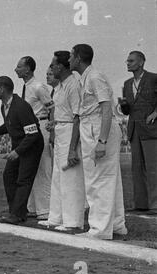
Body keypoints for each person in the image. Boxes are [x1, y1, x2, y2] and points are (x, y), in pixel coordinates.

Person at [69, 43, 127, 239]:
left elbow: (106, 108)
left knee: (98, 180)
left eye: (71, 56)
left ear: (78, 58)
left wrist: (102, 140)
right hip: (92, 126)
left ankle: (99, 230)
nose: (69, 60)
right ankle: (117, 224)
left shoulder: (94, 77)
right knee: (110, 178)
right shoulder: (85, 78)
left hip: (98, 128)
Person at [38, 51, 85, 231]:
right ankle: (56, 217)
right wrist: (54, 124)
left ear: (61, 66)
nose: (51, 68)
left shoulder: (73, 85)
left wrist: (73, 148)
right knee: (58, 177)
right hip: (60, 131)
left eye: (53, 65)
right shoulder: (59, 87)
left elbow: (77, 117)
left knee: (70, 178)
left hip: (69, 133)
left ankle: (73, 222)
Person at [0, 76, 44, 225]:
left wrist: (17, 152)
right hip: (20, 145)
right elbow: (10, 125)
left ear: (1, 89)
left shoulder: (21, 106)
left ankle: (16, 214)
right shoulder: (5, 106)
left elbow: (32, 134)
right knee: (8, 175)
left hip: (31, 146)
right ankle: (17, 211)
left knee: (23, 179)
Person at [119, 51, 157, 215]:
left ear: (141, 62)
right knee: (136, 168)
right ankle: (140, 204)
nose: (128, 63)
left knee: (153, 167)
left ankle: (155, 205)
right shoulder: (127, 84)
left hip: (151, 129)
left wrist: (156, 113)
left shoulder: (154, 78)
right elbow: (127, 112)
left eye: (131, 61)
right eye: (127, 61)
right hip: (134, 129)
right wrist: (124, 105)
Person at [15, 56, 53, 220]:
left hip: (42, 126)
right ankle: (33, 207)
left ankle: (46, 209)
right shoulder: (26, 87)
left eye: (19, 67)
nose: (16, 69)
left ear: (28, 68)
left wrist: (52, 131)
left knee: (43, 168)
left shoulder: (38, 87)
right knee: (31, 169)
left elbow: (52, 108)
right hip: (30, 129)